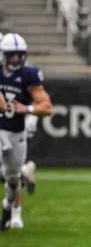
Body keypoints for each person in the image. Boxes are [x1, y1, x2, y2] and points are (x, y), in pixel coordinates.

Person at [0, 33, 52, 231]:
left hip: (16, 133)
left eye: (19, 55)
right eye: (11, 55)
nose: (15, 59)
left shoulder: (28, 75)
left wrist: (27, 109)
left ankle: (8, 206)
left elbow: (46, 107)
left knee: (12, 180)